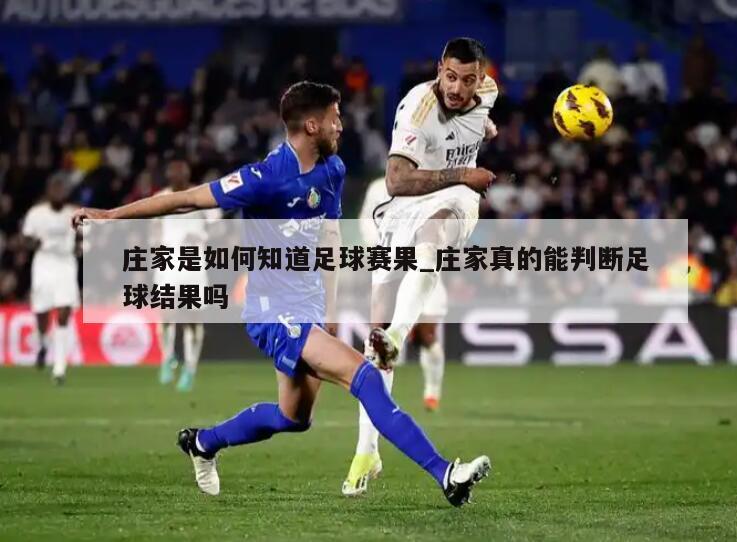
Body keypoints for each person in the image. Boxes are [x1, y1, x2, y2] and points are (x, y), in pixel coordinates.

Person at [72, 81, 493, 507]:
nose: (341, 125)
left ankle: (202, 442)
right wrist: (110, 216)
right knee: (365, 377)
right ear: (311, 125)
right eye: (334, 118)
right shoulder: (264, 177)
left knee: (294, 417)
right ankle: (445, 474)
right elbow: (186, 200)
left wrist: (329, 310)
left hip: (307, 306)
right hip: (272, 311)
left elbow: (329, 237)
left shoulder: (332, 170)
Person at [341, 37, 497, 497]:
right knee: (374, 345)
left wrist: (483, 132)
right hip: (404, 203)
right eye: (450, 76)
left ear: (481, 78)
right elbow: (396, 180)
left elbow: (481, 116)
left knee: (434, 235)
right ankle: (366, 451)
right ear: (439, 69)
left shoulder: (487, 93)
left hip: (453, 201)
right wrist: (464, 171)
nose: (458, 88)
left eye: (468, 80)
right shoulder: (417, 108)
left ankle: (399, 334)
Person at [358, 177, 448, 412]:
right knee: (382, 337)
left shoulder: (431, 183)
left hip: (423, 265)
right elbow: (367, 219)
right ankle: (379, 398)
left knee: (427, 335)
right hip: (390, 267)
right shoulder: (378, 188)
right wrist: (378, 246)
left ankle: (432, 391)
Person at [155, 157, 221, 392]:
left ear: (187, 174)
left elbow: (218, 227)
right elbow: (153, 228)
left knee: (192, 317)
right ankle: (167, 358)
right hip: (166, 262)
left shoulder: (202, 196)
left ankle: (190, 368)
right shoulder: (161, 198)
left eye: (180, 172)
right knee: (167, 314)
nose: (176, 177)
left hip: (193, 263)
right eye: (172, 173)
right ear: (168, 176)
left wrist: (202, 237)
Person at [22, 176, 79, 384]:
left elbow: (85, 238)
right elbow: (25, 238)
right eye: (55, 189)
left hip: (66, 264)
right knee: (42, 312)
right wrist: (33, 243)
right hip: (44, 265)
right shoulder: (36, 214)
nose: (58, 193)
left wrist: (80, 246)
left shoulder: (74, 213)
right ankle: (43, 342)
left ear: (66, 193)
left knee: (64, 312)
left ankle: (59, 368)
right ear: (48, 192)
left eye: (62, 189)